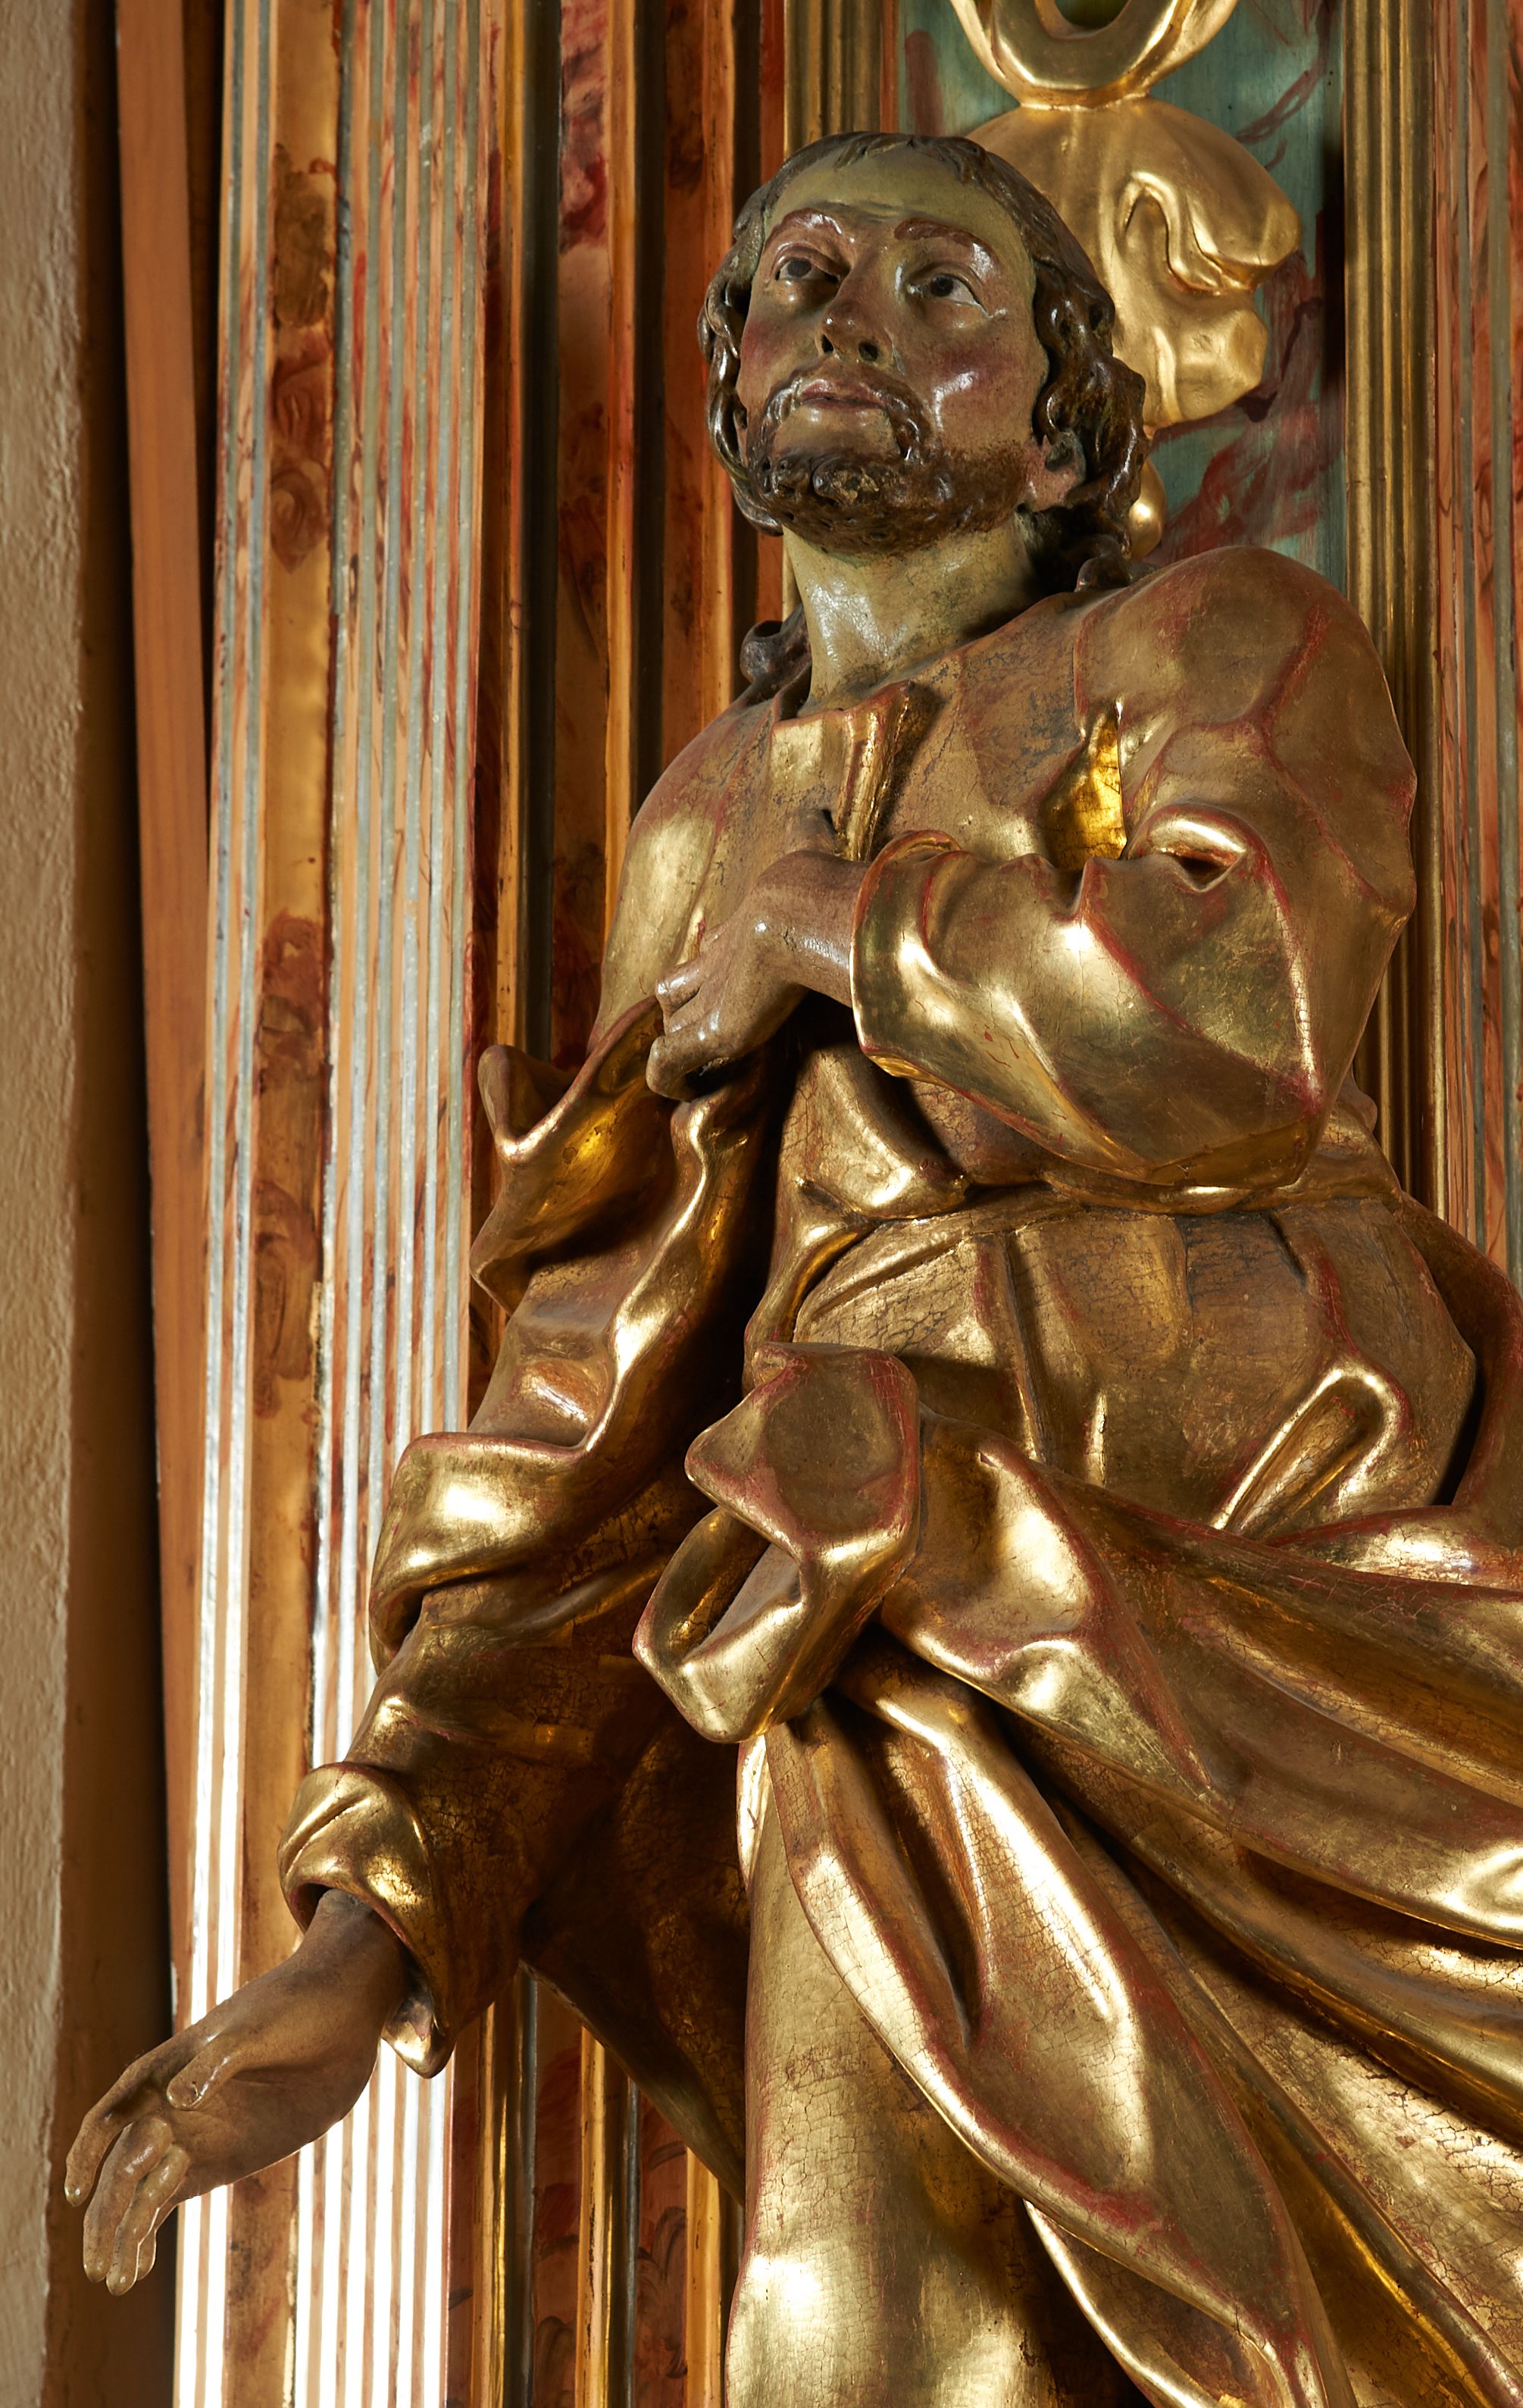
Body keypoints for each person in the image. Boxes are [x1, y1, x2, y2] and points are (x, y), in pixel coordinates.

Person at [70, 132, 1523, 2406]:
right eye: (800, 277)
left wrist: (841, 925)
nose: (852, 315)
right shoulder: (697, 819)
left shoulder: (1213, 639)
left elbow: (1231, 1027)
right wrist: (369, 1938)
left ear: (1068, 433)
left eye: (945, 287)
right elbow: (596, 1418)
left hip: (1248, 1566)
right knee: (868, 2317)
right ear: (733, 385)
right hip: (870, 1587)